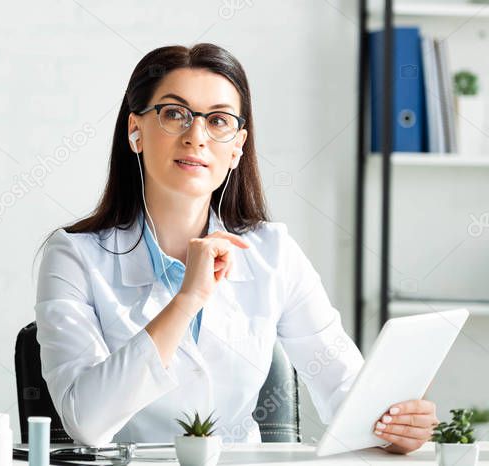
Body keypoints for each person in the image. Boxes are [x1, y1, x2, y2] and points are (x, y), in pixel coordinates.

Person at [34, 43, 437, 453]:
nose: (196, 136)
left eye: (219, 121)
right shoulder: (73, 256)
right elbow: (86, 421)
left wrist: (393, 426)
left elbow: (346, 388)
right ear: (135, 131)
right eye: (174, 114)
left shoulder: (272, 251)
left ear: (238, 145)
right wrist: (187, 300)